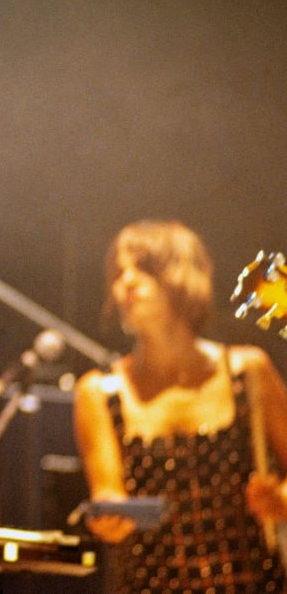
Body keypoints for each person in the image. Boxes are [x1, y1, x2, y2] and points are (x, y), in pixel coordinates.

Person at [73, 219, 287, 592]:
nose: (126, 281)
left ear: (183, 274)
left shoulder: (249, 371)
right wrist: (107, 517)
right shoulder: (99, 391)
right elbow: (108, 495)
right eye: (118, 272)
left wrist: (279, 499)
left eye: (143, 267)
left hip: (251, 582)